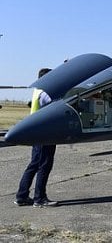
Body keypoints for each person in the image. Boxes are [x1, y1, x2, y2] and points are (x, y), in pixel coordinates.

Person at [15, 68, 58, 208]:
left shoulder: (37, 91)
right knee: (44, 166)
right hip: (45, 134)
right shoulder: (46, 93)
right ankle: (39, 198)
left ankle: (21, 196)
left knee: (33, 165)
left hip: (37, 134)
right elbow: (58, 105)